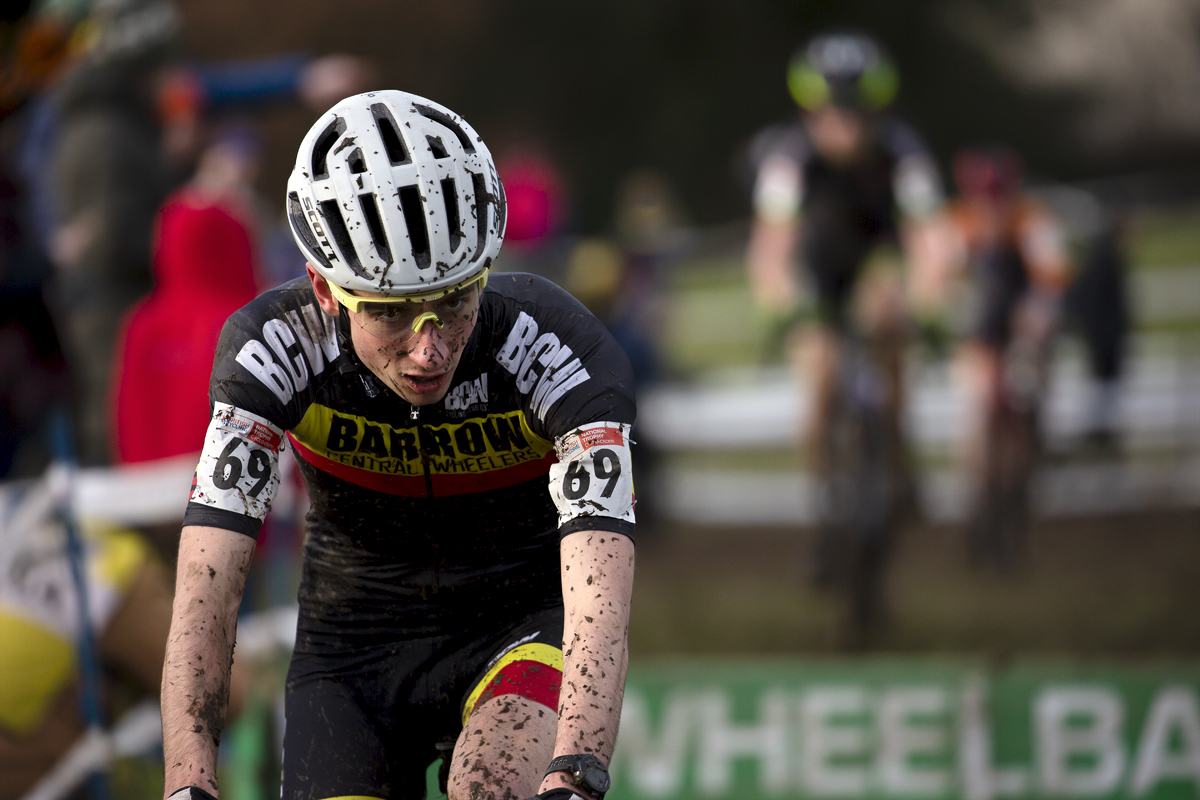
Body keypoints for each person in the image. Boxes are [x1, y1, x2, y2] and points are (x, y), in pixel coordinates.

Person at [160, 91, 637, 800]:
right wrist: (188, 781)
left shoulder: (557, 348)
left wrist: (577, 766)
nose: (429, 349)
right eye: (390, 313)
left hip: (519, 623)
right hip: (352, 650)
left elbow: (601, 595)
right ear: (324, 289)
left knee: (491, 787)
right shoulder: (271, 352)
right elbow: (205, 590)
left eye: (454, 301)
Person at [744, 30, 941, 560]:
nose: (845, 125)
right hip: (820, 271)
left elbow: (930, 238)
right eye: (831, 112)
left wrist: (927, 298)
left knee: (890, 319)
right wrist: (783, 303)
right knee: (821, 378)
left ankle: (898, 459)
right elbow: (771, 249)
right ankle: (825, 502)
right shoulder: (789, 159)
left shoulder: (904, 152)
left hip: (878, 262)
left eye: (857, 112)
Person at [918, 146, 1071, 560]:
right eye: (983, 199)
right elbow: (932, 285)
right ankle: (976, 506)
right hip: (978, 338)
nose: (992, 209)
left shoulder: (1033, 221)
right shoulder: (954, 226)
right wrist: (948, 301)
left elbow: (1053, 281)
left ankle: (1023, 491)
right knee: (978, 414)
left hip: (1023, 336)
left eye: (999, 198)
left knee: (1026, 409)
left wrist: (1037, 315)